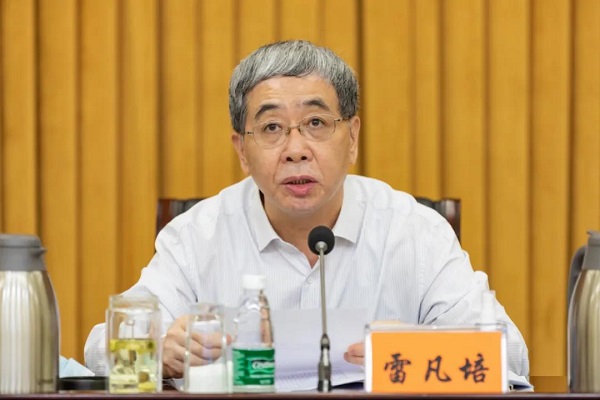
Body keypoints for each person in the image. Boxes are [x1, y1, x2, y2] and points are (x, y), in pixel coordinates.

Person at [84, 39, 529, 389]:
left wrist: (409, 352)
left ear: (351, 138)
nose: (296, 150)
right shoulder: (196, 236)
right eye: (272, 128)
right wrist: (161, 350)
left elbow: (509, 356)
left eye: (316, 123)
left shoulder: (415, 232)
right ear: (242, 150)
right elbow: (100, 348)